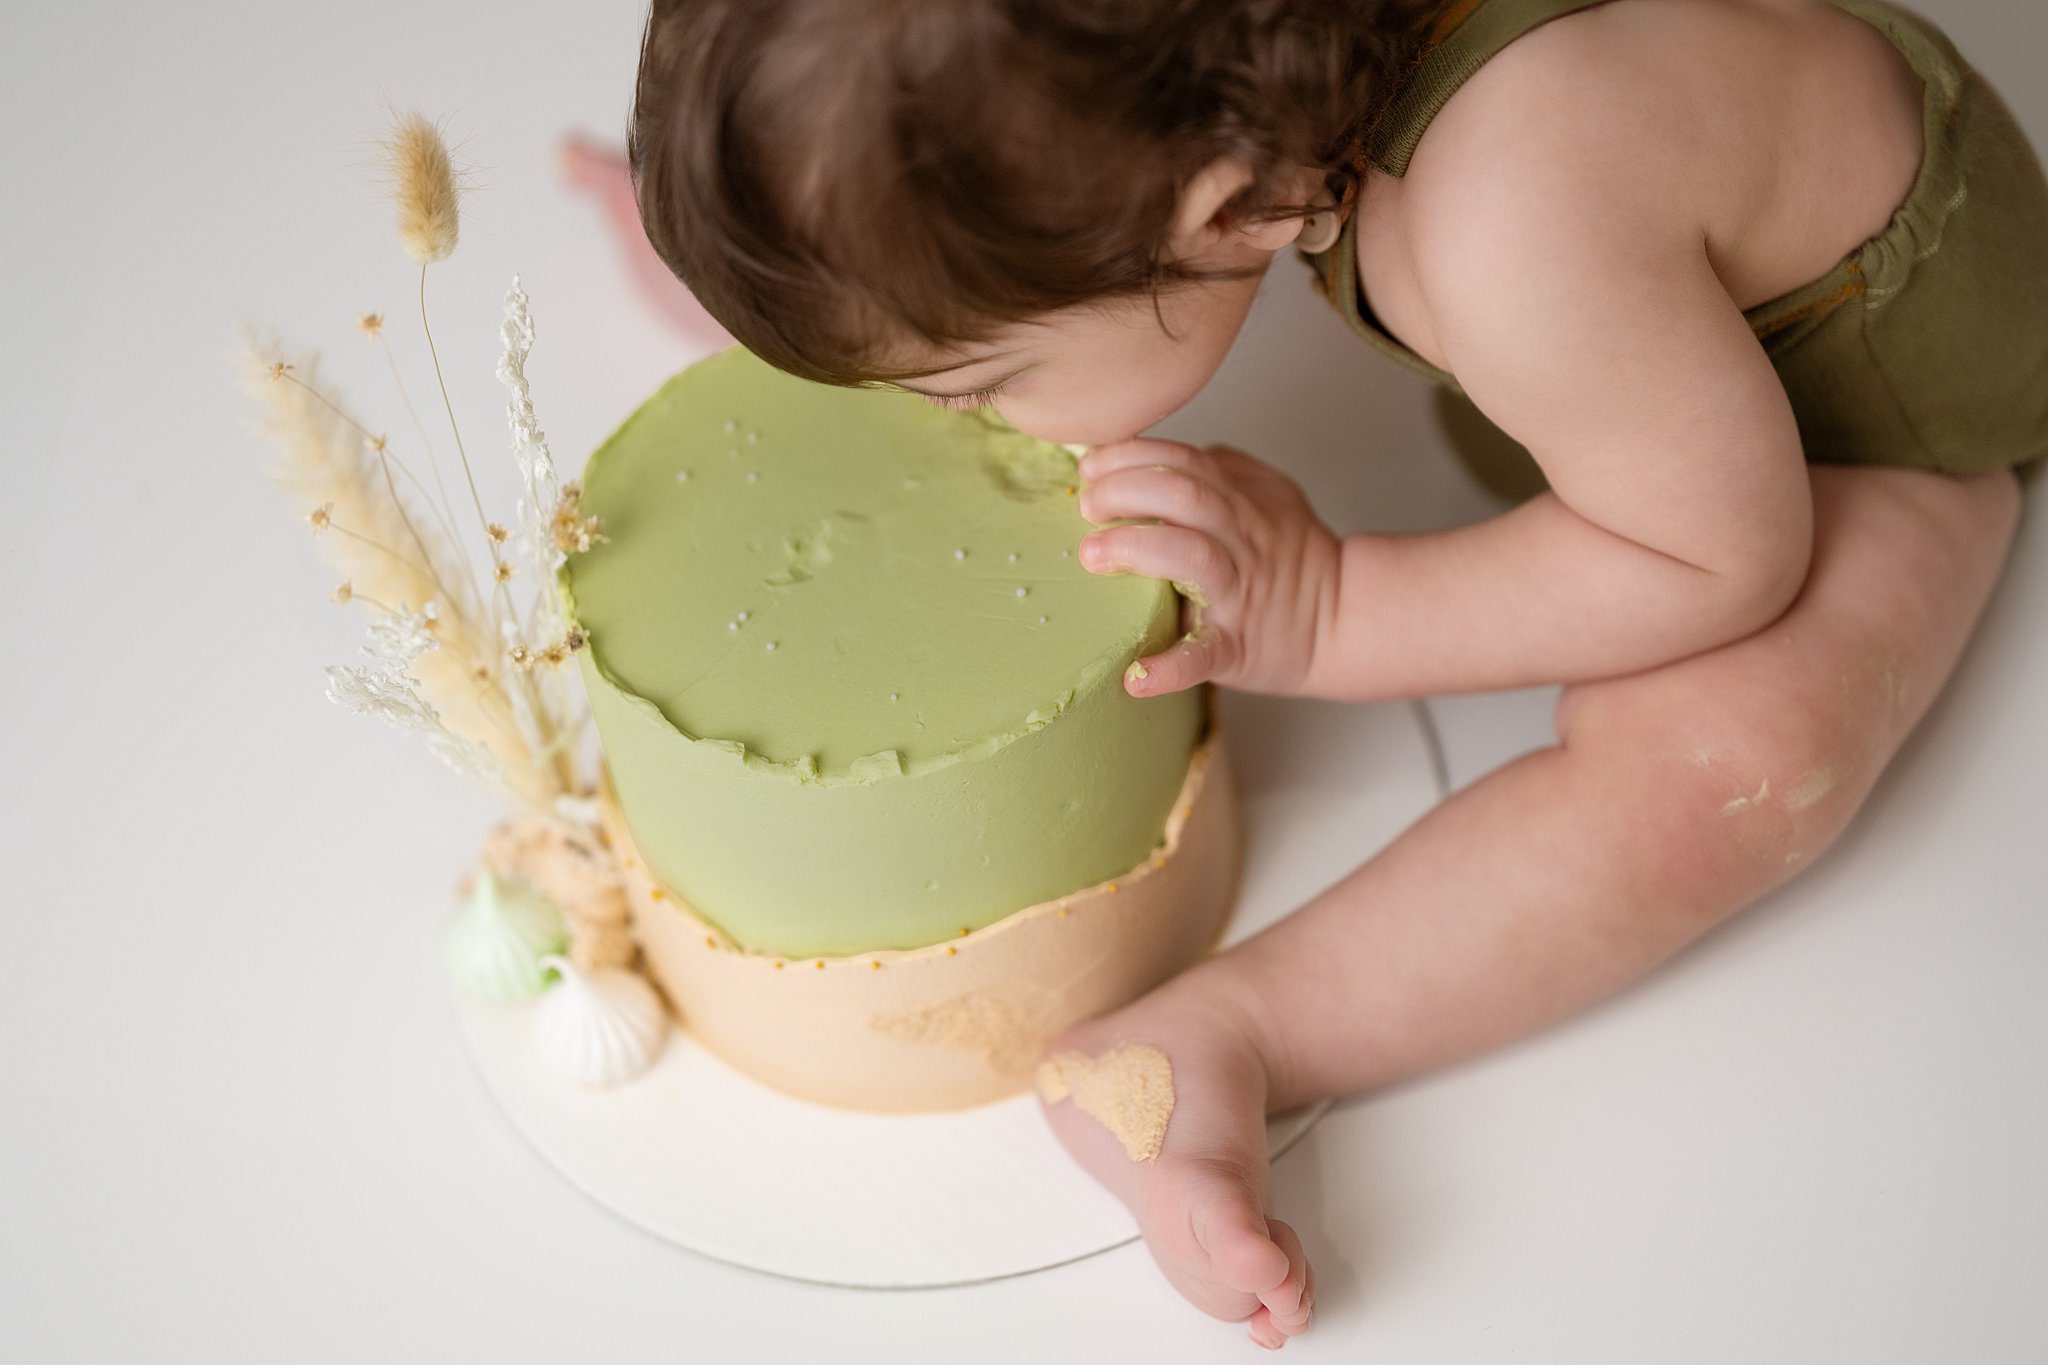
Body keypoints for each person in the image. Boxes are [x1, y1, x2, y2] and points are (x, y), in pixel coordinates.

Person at [582, 0, 2046, 1346]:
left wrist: (1337, 601)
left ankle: (1234, 1034)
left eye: (978, 385)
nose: (974, 423)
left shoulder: (1505, 217)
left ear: (1238, 202)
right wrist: (826, 255)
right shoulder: (1255, 70)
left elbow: (1719, 558)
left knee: (1744, 757)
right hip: (1630, 319)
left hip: (1860, 409)